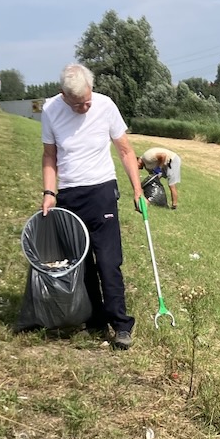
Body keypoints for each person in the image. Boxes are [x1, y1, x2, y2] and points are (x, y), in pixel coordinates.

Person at [40, 63, 144, 350]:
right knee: (82, 265)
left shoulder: (105, 105)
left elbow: (125, 150)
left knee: (109, 263)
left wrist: (137, 190)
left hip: (102, 191)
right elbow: (50, 156)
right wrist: (50, 191)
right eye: (77, 104)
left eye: (87, 101)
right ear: (62, 95)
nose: (84, 108)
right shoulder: (50, 110)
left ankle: (121, 325)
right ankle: (95, 320)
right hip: (71, 194)